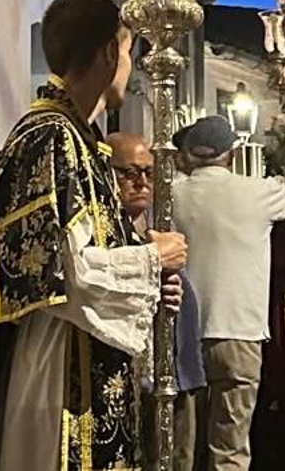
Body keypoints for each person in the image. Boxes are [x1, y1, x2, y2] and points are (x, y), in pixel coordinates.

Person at [0, 0, 187, 471]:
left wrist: (146, 271)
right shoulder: (50, 137)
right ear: (109, 52)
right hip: (55, 370)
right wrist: (152, 260)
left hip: (82, 355)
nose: (131, 65)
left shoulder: (80, 139)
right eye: (128, 51)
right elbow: (62, 273)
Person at [171, 115, 285, 471]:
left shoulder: (172, 193)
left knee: (182, 449)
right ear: (232, 153)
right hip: (239, 331)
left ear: (189, 154)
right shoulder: (258, 191)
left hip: (182, 333)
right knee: (230, 446)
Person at [107, 131, 206, 468]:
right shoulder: (103, 233)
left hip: (172, 369)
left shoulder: (160, 225)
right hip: (125, 374)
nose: (141, 183)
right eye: (129, 173)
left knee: (177, 457)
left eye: (148, 173)